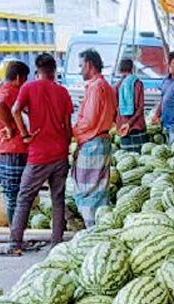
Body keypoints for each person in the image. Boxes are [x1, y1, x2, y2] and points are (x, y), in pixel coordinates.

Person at [0, 54, 73, 257]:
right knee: (58, 199)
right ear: (54, 71)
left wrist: (24, 133)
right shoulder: (63, 92)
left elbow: (15, 110)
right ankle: (56, 244)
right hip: (60, 153)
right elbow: (67, 125)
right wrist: (66, 147)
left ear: (37, 71)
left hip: (39, 154)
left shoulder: (29, 87)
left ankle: (15, 243)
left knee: (24, 198)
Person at [73, 49, 117, 227]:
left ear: (89, 65)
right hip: (103, 141)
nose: (79, 70)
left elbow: (89, 120)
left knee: (86, 190)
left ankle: (92, 228)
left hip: (92, 144)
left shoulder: (95, 87)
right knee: (99, 190)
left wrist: (73, 132)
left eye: (80, 66)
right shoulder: (107, 86)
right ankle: (101, 227)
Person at [0, 60, 30, 225]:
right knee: (15, 198)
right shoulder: (9, 90)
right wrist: (10, 127)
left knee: (15, 197)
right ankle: (16, 237)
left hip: (6, 152)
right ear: (19, 78)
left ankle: (17, 235)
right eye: (25, 79)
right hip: (11, 152)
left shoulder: (1, 88)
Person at [114, 58, 147, 153]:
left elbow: (115, 107)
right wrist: (130, 123)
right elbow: (140, 108)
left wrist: (119, 122)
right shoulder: (138, 83)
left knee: (125, 158)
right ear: (132, 68)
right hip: (137, 126)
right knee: (139, 161)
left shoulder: (118, 86)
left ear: (120, 69)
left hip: (123, 128)